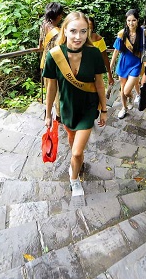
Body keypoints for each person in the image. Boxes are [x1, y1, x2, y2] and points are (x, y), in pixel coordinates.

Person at [42, 12, 107, 198]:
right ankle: (77, 164)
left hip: (88, 108)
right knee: (73, 145)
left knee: (77, 152)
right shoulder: (54, 55)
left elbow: (99, 84)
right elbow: (51, 88)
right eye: (73, 31)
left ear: (88, 32)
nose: (78, 36)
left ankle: (74, 179)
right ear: (65, 31)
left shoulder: (93, 54)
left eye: (83, 31)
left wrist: (104, 109)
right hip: (67, 108)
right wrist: (48, 114)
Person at [109, 9, 146, 119]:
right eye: (129, 20)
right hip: (123, 63)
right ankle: (124, 108)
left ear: (138, 20)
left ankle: (131, 97)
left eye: (133, 20)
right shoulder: (122, 33)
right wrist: (111, 66)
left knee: (127, 91)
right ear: (126, 21)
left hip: (136, 64)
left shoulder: (144, 33)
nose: (131, 23)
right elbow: (116, 51)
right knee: (122, 88)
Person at [39, 2, 65, 110]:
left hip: (45, 62)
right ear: (58, 16)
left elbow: (40, 43)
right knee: (58, 91)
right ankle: (58, 114)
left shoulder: (43, 24)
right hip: (56, 65)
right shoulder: (59, 33)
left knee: (48, 88)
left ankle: (49, 111)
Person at [88, 16, 115, 87]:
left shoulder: (98, 39)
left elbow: (105, 58)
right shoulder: (79, 39)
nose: (88, 28)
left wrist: (109, 74)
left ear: (93, 27)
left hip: (95, 71)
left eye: (90, 25)